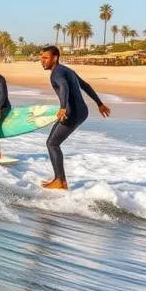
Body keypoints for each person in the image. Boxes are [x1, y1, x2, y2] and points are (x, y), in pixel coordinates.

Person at [39, 46, 111, 189]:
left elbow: (64, 86)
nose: (42, 61)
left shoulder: (56, 74)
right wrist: (100, 104)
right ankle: (58, 178)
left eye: (45, 58)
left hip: (71, 113)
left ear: (55, 58)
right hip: (82, 111)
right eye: (41, 58)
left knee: (52, 144)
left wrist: (63, 107)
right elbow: (86, 85)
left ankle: (60, 181)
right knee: (52, 141)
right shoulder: (67, 70)